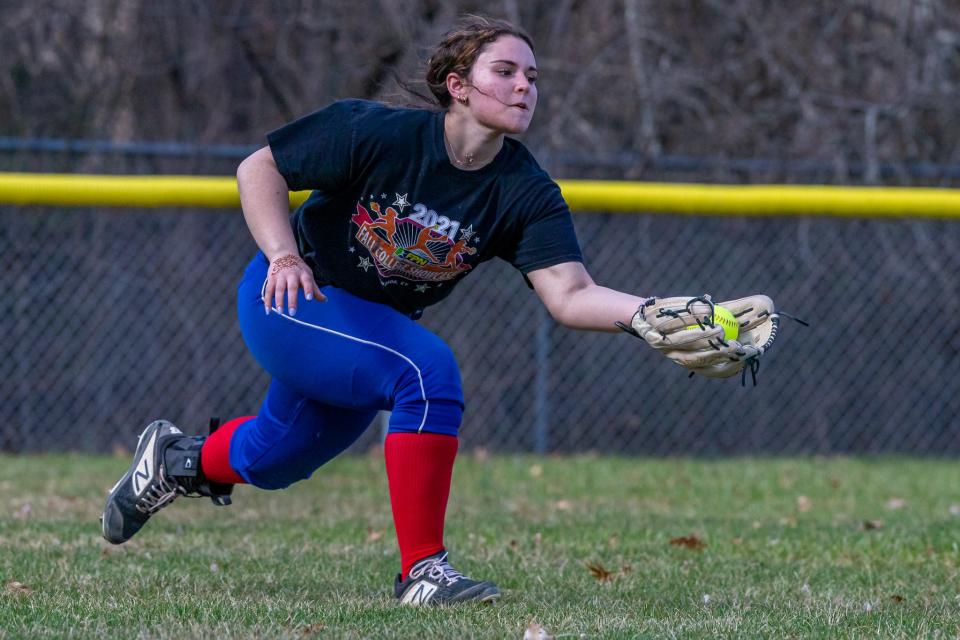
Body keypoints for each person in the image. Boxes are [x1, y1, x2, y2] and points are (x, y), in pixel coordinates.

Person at [100, 16, 655, 606]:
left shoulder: (525, 191)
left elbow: (569, 295)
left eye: (532, 77)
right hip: (292, 298)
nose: (525, 87)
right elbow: (258, 168)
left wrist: (653, 314)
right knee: (425, 373)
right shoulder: (378, 132)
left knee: (273, 457)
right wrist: (283, 257)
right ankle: (422, 571)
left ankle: (173, 461)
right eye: (506, 71)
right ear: (458, 86)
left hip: (369, 333)